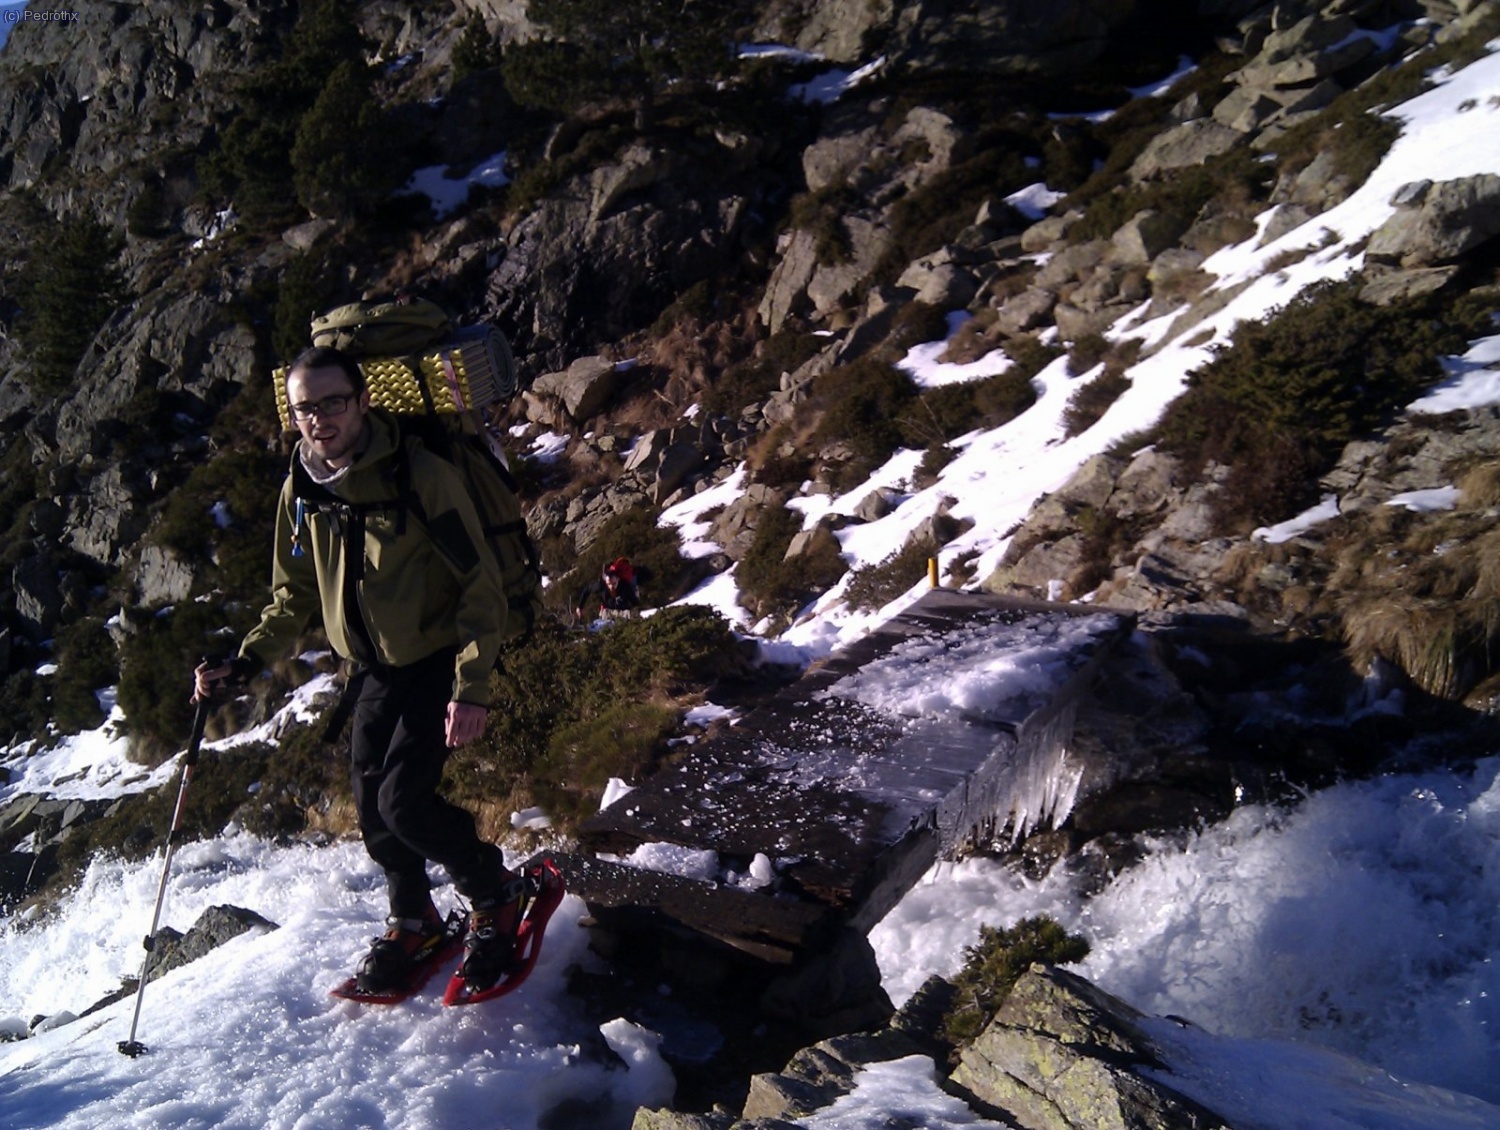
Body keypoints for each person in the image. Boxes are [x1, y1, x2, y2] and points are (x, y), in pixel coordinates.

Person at [193, 345, 523, 994]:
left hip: (434, 661)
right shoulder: (303, 489)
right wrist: (248, 661)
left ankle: (494, 896)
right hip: (369, 671)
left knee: (404, 803)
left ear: (363, 401)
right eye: (303, 407)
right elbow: (291, 596)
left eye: (332, 402)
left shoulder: (420, 477)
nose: (318, 419)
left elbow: (481, 585)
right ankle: (413, 919)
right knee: (373, 810)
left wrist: (473, 686)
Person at [573, 556, 644, 622]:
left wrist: (638, 611)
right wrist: (580, 607)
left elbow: (635, 602)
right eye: (609, 584)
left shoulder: (625, 586)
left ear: (618, 579)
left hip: (623, 613)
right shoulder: (601, 586)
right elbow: (587, 590)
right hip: (608, 613)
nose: (611, 586)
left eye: (614, 584)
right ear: (605, 582)